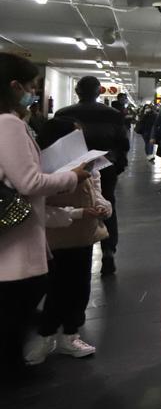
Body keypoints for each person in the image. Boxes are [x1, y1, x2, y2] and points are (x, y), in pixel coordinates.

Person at [0, 53, 89, 380]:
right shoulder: (8, 123)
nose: (32, 94)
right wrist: (73, 177)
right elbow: (29, 182)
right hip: (16, 232)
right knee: (18, 302)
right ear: (14, 86)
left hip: (12, 233)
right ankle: (11, 370)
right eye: (30, 87)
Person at [24, 117, 111, 361]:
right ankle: (46, 336)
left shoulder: (88, 163)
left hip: (84, 236)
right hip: (55, 240)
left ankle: (70, 335)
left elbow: (97, 194)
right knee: (56, 289)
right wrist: (79, 213)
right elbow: (41, 210)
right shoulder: (41, 168)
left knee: (79, 289)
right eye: (74, 136)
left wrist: (104, 207)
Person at [55, 76, 129, 277]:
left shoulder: (63, 114)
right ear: (99, 92)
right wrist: (118, 164)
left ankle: (73, 247)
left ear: (77, 92)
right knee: (106, 203)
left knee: (72, 206)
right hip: (105, 167)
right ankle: (108, 250)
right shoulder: (113, 114)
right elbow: (123, 143)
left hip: (72, 168)